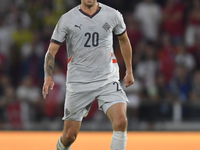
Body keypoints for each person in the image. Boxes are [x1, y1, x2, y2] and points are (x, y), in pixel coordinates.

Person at [42, 0, 134, 150]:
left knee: (121, 121)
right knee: (69, 136)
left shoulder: (113, 15)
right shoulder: (68, 19)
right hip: (79, 83)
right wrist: (48, 76)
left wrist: (129, 70)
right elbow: (51, 50)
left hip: (107, 80)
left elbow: (124, 40)